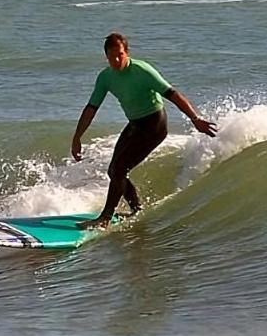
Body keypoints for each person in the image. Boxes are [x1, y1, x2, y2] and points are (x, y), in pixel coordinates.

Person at [71, 33, 217, 229]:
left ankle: (105, 218)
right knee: (114, 170)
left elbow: (172, 94)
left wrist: (195, 119)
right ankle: (136, 209)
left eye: (120, 55)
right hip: (135, 124)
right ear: (106, 56)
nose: (116, 60)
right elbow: (91, 108)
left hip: (154, 124)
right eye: (112, 56)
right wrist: (77, 137)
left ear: (127, 52)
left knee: (120, 169)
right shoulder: (105, 77)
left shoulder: (142, 70)